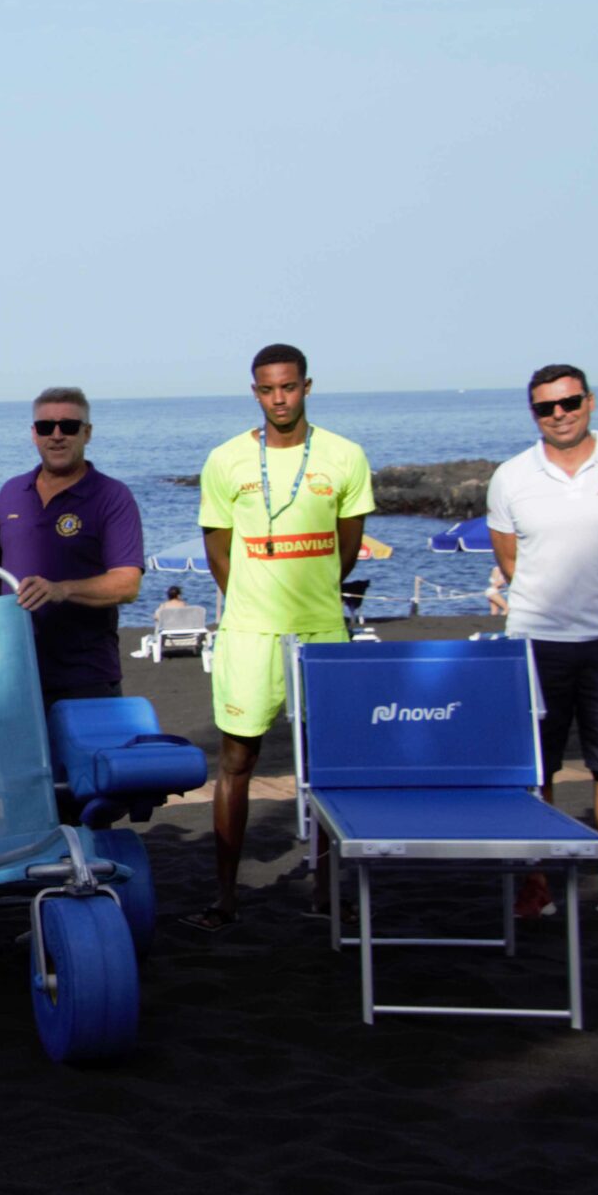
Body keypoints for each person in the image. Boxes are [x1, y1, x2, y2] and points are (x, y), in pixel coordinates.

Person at [185, 344, 373, 933]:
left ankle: (324, 889)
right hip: (249, 633)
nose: (279, 399)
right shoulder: (226, 460)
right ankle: (225, 896)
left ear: (306, 387)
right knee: (237, 760)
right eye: (267, 390)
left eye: (288, 387)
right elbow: (218, 547)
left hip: (321, 630)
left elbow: (348, 545)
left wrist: (312, 594)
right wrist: (251, 600)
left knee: (326, 766)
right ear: (255, 393)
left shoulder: (345, 455)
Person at [488, 364, 598, 925]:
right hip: (535, 642)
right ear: (533, 413)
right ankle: (535, 883)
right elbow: (510, 561)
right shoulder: (511, 477)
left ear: (590, 401)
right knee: (534, 771)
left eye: (568, 403)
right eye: (546, 407)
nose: (559, 414)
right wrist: (551, 604)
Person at [0, 387, 144, 703]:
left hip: (86, 675)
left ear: (87, 433)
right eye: (47, 427)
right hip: (14, 673)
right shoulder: (11, 492)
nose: (57, 435)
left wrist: (62, 590)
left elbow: (128, 584)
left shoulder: (112, 496)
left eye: (69, 426)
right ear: (34, 434)